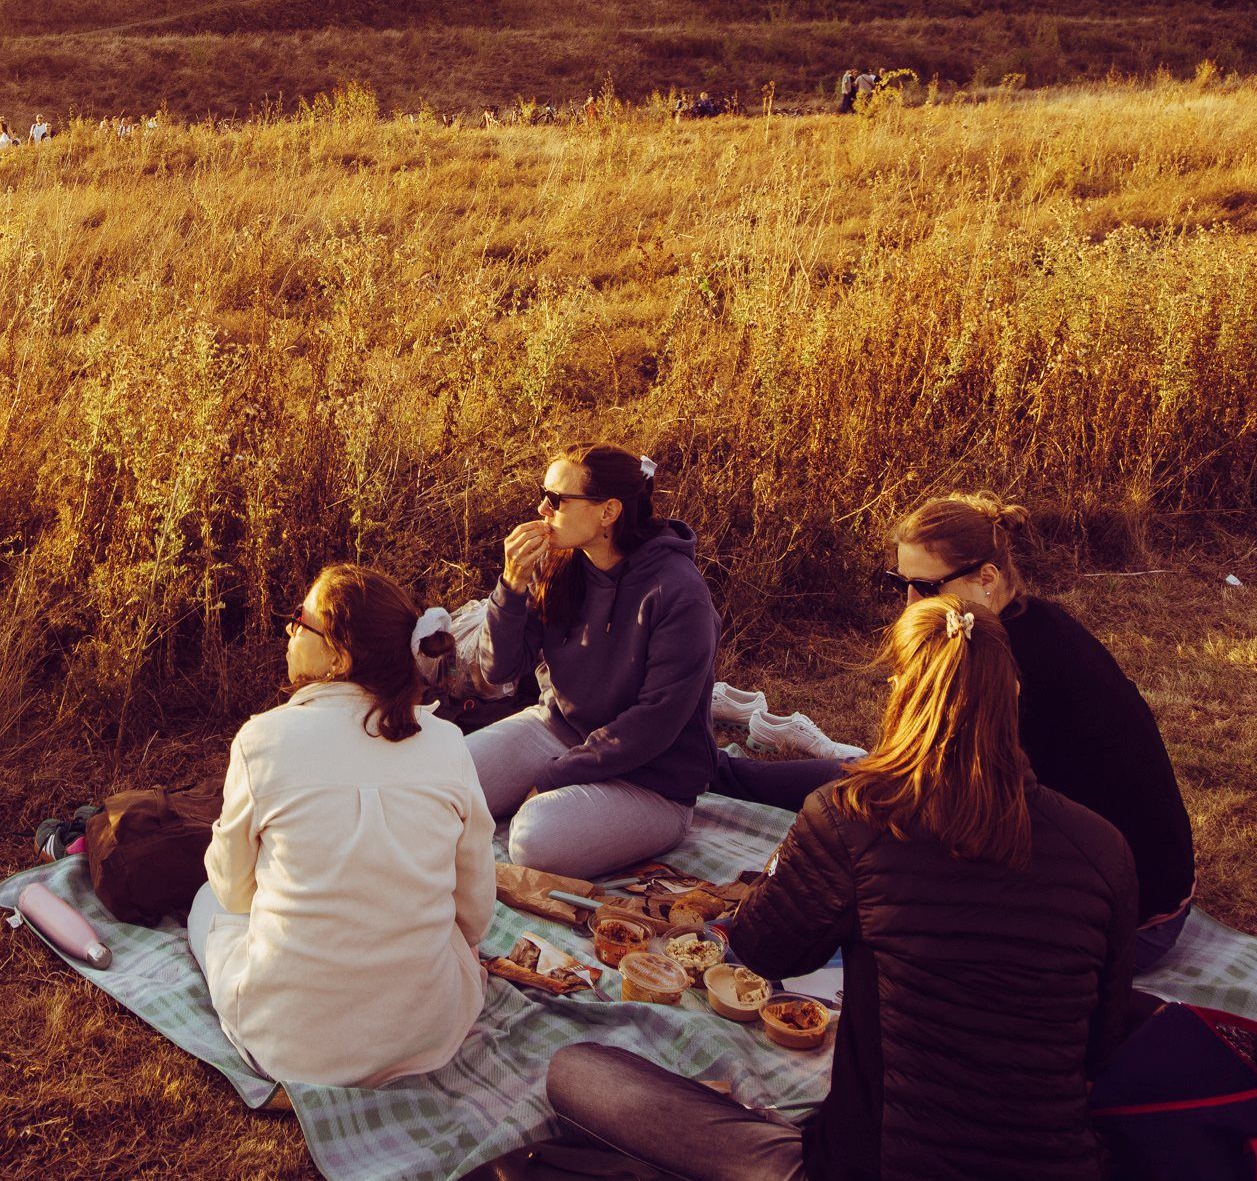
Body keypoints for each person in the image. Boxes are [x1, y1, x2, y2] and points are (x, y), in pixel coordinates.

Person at [546, 594, 1145, 1181]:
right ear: (1013, 697)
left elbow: (761, 950)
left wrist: (801, 864)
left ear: (900, 697)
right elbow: (1105, 1042)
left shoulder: (851, 818)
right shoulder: (1103, 848)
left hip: (867, 1164)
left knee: (576, 1073)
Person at [712, 494, 1197, 971]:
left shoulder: (1004, 668)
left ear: (986, 577)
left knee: (872, 849)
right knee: (863, 779)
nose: (908, 602)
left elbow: (942, 812)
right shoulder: (1025, 622)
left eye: (925, 587)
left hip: (1121, 922)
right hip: (1088, 867)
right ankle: (718, 771)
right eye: (899, 583)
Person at [188, 564, 493, 1088]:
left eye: (298, 620)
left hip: (289, 1043)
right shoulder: (447, 745)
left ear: (340, 655)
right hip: (428, 1032)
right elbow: (475, 917)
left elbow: (236, 896)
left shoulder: (262, 740)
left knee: (204, 902)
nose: (288, 630)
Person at [465, 445, 717, 876]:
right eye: (543, 493)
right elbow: (499, 671)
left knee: (531, 838)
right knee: (440, 784)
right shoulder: (562, 564)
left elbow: (653, 725)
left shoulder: (679, 593)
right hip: (559, 730)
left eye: (558, 499)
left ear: (608, 512)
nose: (542, 508)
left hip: (650, 779)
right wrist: (511, 585)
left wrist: (552, 779)